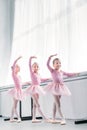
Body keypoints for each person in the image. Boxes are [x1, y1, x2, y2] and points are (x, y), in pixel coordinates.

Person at [44, 54, 79, 125]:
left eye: (59, 63)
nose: (58, 64)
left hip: (60, 88)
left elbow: (69, 74)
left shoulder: (61, 72)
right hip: (54, 87)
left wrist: (75, 74)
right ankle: (63, 118)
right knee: (58, 104)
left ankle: (53, 118)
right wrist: (50, 57)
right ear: (53, 65)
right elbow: (47, 64)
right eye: (57, 63)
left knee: (55, 103)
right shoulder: (52, 71)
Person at [25, 56, 50, 123]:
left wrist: (48, 78)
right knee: (38, 104)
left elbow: (41, 79)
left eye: (37, 66)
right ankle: (45, 118)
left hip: (38, 89)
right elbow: (29, 65)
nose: (35, 68)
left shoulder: (38, 74)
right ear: (32, 68)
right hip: (33, 89)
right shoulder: (32, 73)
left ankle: (33, 118)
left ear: (38, 68)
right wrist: (30, 58)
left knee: (35, 105)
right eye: (34, 66)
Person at [8, 56, 24, 123]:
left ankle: (11, 118)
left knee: (14, 105)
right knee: (15, 105)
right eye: (16, 67)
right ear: (13, 69)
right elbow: (14, 64)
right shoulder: (13, 75)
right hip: (15, 91)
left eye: (18, 67)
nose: (17, 67)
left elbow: (21, 83)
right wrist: (17, 59)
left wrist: (28, 82)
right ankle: (18, 118)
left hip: (19, 91)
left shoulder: (19, 76)